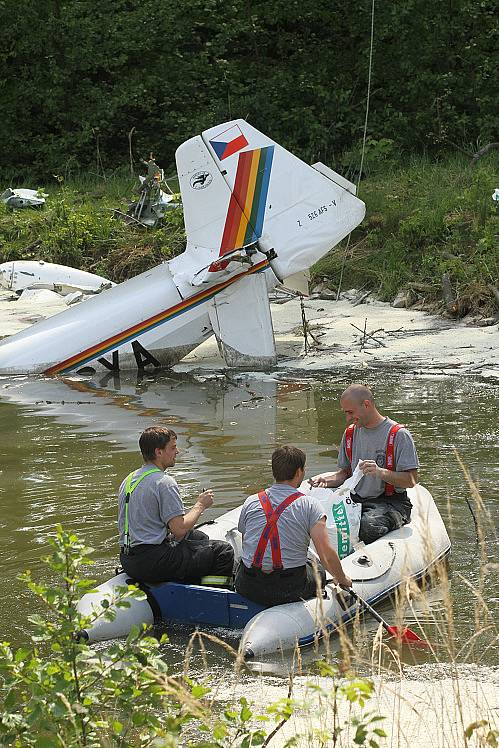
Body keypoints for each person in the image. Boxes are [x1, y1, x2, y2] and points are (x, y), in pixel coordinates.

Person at [235, 445, 352, 607]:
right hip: (289, 588)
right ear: (299, 472)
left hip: (249, 585)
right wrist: (342, 579)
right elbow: (326, 555)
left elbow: (246, 543)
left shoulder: (251, 501)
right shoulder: (310, 505)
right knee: (317, 569)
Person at [118, 426, 234, 584]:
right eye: (172, 448)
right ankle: (212, 597)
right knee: (223, 551)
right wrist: (200, 505)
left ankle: (188, 582)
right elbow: (179, 530)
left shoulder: (130, 479)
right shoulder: (164, 482)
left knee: (198, 537)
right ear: (159, 452)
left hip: (129, 559)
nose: (177, 451)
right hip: (154, 562)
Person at [310, 384, 419, 544]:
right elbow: (345, 474)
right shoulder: (349, 434)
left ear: (366, 404)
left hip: (391, 502)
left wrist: (381, 472)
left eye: (350, 412)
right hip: (355, 500)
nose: (347, 418)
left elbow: (411, 480)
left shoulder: (399, 435)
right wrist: (326, 481)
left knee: (368, 527)